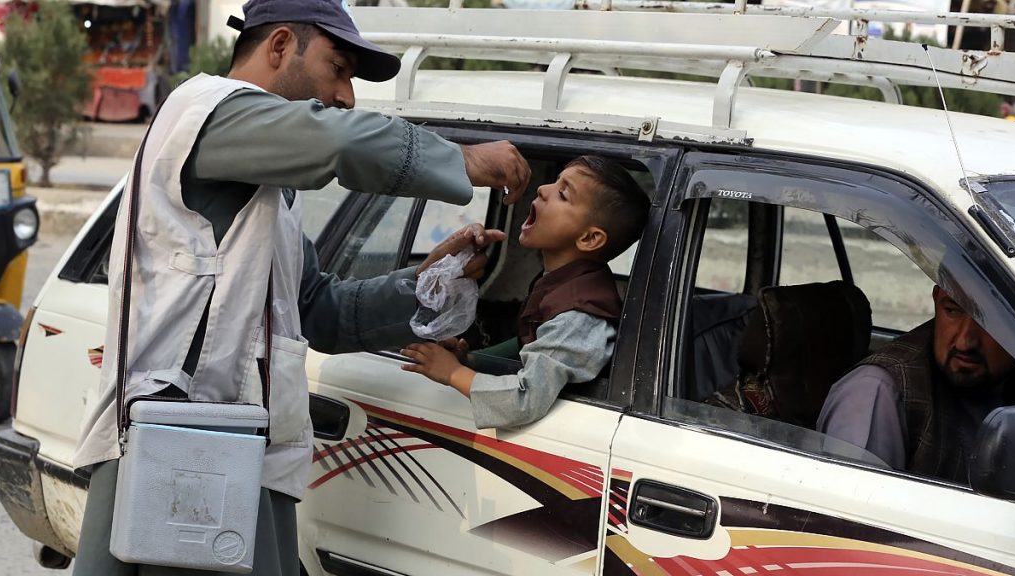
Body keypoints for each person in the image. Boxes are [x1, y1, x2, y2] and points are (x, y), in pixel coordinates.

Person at [71, 0, 532, 573]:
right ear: (281, 45)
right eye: (338, 69)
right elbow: (337, 142)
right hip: (183, 453)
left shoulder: (264, 190)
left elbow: (317, 311)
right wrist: (458, 159)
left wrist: (426, 283)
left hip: (232, 457)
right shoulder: (207, 112)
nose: (346, 96)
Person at [400, 155, 649, 428]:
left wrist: (454, 373)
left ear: (589, 238)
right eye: (554, 182)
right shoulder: (562, 283)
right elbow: (528, 345)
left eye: (563, 194)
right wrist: (468, 359)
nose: (543, 189)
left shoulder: (578, 317)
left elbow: (525, 399)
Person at [818, 284, 1015, 483]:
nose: (964, 342)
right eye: (952, 310)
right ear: (936, 297)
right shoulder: (875, 392)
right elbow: (855, 507)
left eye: (990, 319)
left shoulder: (1005, 379)